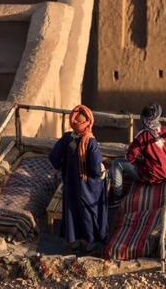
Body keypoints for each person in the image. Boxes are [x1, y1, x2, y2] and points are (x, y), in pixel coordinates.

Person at [49, 104, 108, 252]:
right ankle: (89, 242)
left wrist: (64, 168)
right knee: (89, 211)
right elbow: (95, 167)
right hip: (88, 186)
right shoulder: (90, 142)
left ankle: (73, 241)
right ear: (88, 121)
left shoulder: (67, 138)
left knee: (72, 209)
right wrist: (102, 173)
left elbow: (53, 156)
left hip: (70, 182)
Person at [109, 102, 166, 203]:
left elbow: (130, 157)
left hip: (151, 176)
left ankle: (117, 196)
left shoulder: (142, 136)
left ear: (144, 119)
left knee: (117, 163)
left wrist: (140, 157)